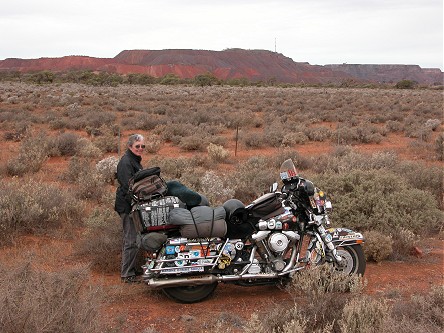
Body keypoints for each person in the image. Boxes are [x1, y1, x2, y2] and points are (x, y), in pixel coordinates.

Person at [114, 133, 145, 283]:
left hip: (133, 205)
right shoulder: (126, 162)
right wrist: (136, 201)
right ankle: (127, 274)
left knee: (136, 239)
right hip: (127, 206)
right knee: (131, 240)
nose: (140, 148)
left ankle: (131, 269)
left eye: (142, 146)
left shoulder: (134, 160)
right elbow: (128, 187)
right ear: (130, 146)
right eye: (137, 146)